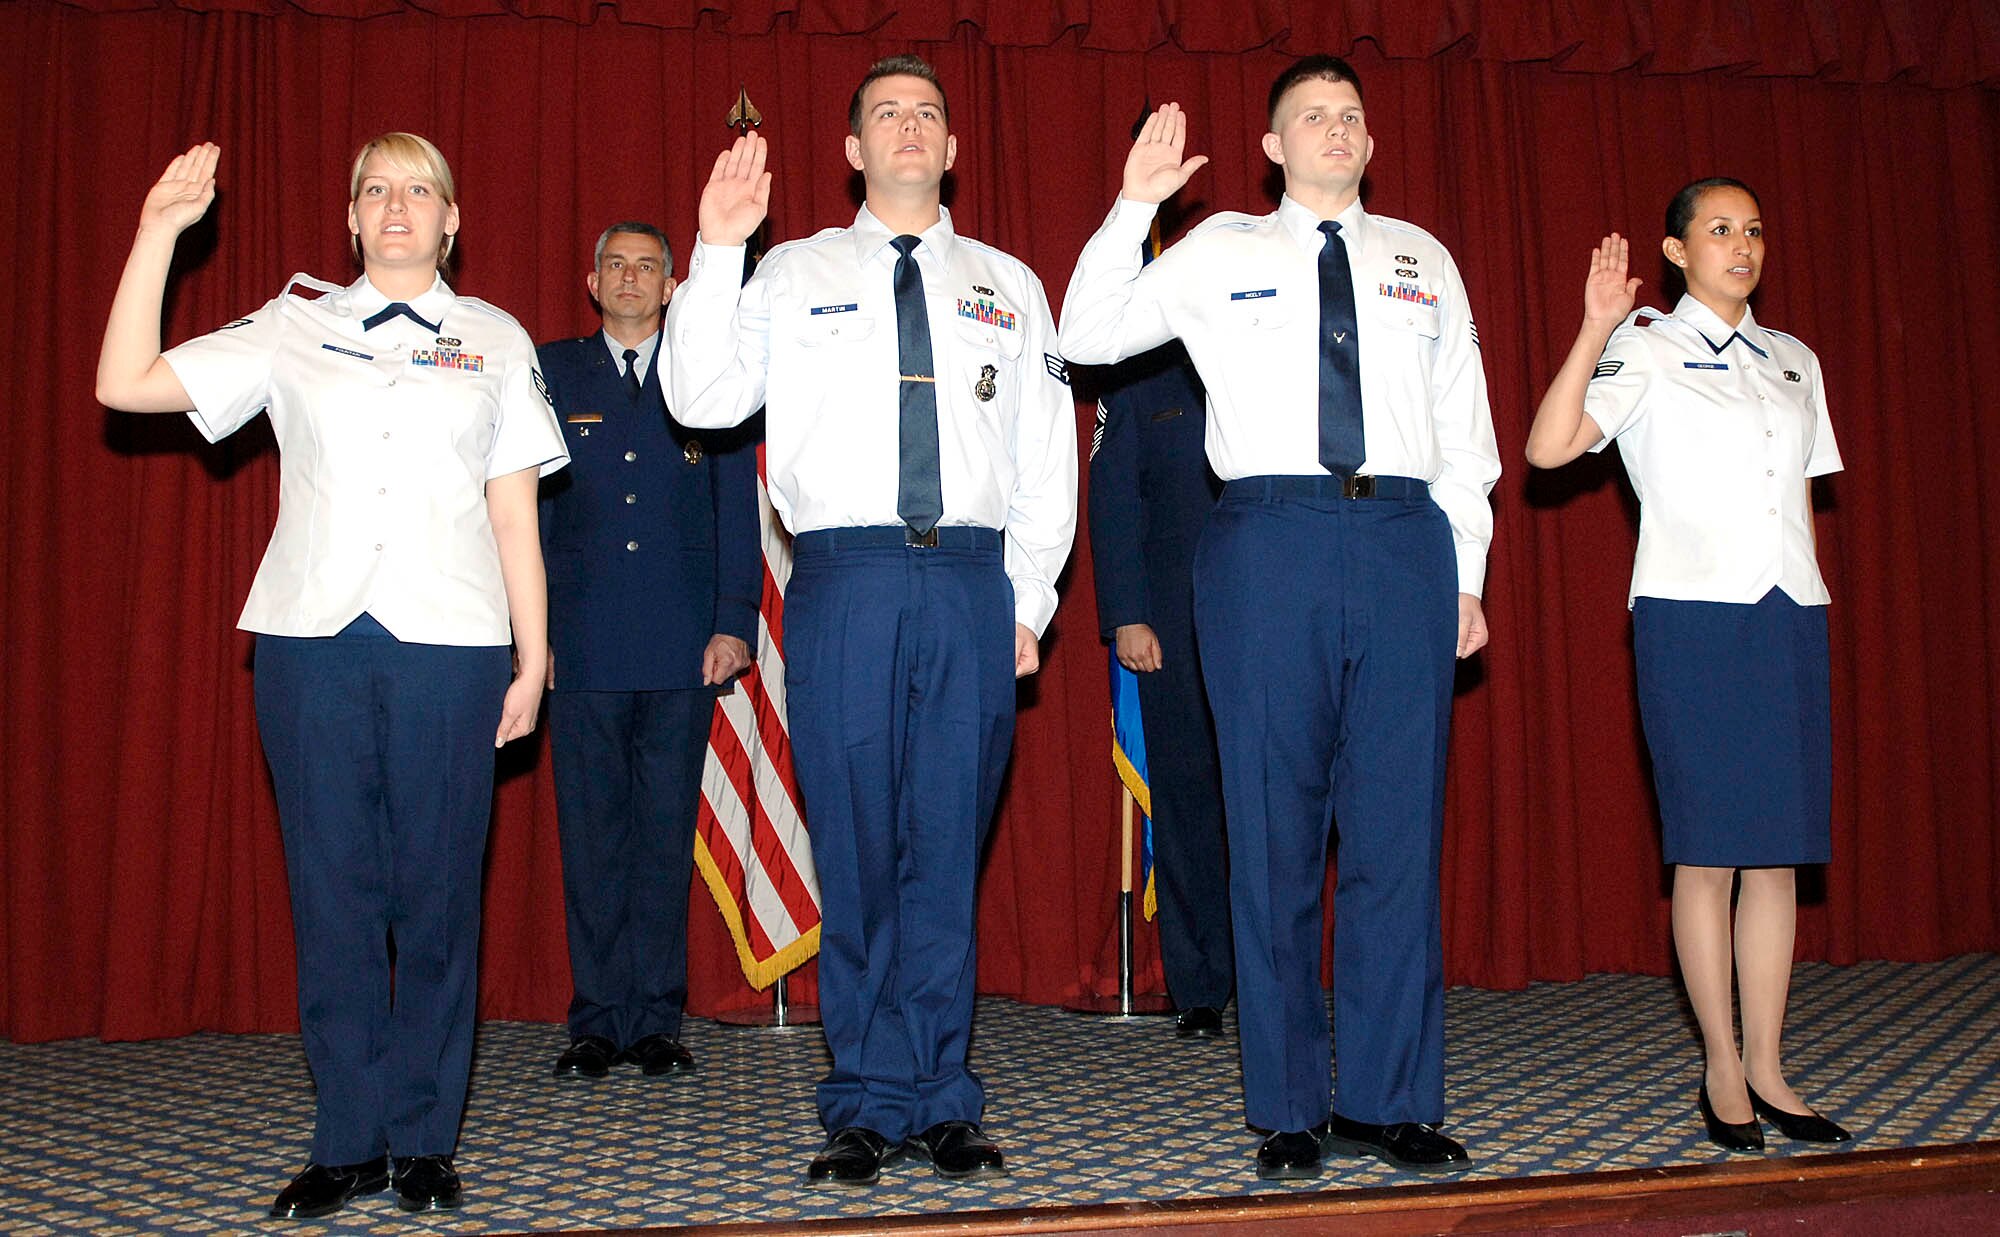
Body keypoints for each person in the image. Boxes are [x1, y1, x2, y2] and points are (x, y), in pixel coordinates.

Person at [94, 135, 567, 1218]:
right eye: (373, 190)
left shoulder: (494, 338)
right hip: (312, 643)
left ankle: (425, 1137)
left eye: (417, 190)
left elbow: (512, 511)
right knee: (334, 895)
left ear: (452, 219)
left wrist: (533, 657)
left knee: (439, 897)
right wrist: (158, 232)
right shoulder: (289, 324)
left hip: (453, 645)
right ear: (350, 218)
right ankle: (348, 1136)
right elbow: (123, 384)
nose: (395, 206)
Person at [1060, 56, 1500, 1179]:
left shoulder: (1422, 258)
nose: (1336, 130)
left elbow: (1464, 433)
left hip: (1404, 540)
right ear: (1270, 146)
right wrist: (1133, 205)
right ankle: (1288, 1106)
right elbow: (1085, 333)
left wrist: (1466, 572)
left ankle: (1390, 1096)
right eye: (1313, 116)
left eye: (1351, 115)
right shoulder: (1216, 251)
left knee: (1396, 838)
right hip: (1264, 542)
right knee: (1271, 834)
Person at [667, 54, 1076, 1186]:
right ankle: (859, 1096)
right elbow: (699, 398)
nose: (908, 129)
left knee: (945, 850)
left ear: (952, 149)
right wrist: (715, 248)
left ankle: (941, 1093)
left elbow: (1045, 462)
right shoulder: (790, 270)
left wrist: (1027, 600)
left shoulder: (1009, 282)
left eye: (927, 115)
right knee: (851, 845)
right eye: (885, 115)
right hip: (841, 582)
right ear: (850, 150)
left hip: (968, 583)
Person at [1524, 179, 1851, 1153]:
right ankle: (1718, 1062)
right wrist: (1592, 328)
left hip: (1786, 616)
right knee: (1707, 854)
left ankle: (1769, 1063)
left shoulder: (1793, 360)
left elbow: (1791, 497)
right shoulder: (1647, 348)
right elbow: (1549, 449)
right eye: (1716, 229)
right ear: (1674, 252)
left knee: (1777, 858)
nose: (1738, 245)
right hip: (1692, 618)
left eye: (1751, 229)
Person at [537, 222, 761, 1083]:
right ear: (592, 282)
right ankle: (598, 1019)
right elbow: (531, 508)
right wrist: (537, 635)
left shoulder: (704, 371)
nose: (631, 278)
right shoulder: (554, 374)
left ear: (673, 286)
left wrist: (734, 618)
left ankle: (657, 1016)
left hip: (681, 646)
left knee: (665, 836)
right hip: (582, 648)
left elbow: (734, 507)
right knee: (592, 840)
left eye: (647, 266)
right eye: (615, 265)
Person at [1086, 342, 1234, 1035]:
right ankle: (1199, 982)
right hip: (1170, 625)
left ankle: (1262, 977)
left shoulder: (1259, 349)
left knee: (1271, 807)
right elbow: (1113, 492)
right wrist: (1125, 614)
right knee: (1187, 803)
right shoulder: (1141, 378)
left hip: (1273, 618)